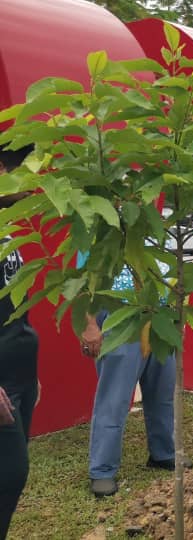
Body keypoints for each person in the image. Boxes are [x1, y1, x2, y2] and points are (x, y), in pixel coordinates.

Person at [79, 252, 186, 498]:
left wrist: (174, 320)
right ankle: (102, 470)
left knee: (162, 392)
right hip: (120, 319)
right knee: (114, 398)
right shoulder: (98, 230)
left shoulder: (155, 229)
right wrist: (90, 324)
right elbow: (82, 283)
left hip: (157, 317)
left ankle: (163, 452)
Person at [0, 144, 40, 538]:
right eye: (27, 171)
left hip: (19, 378)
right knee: (10, 472)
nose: (34, 184)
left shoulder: (5, 226)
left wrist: (29, 374)